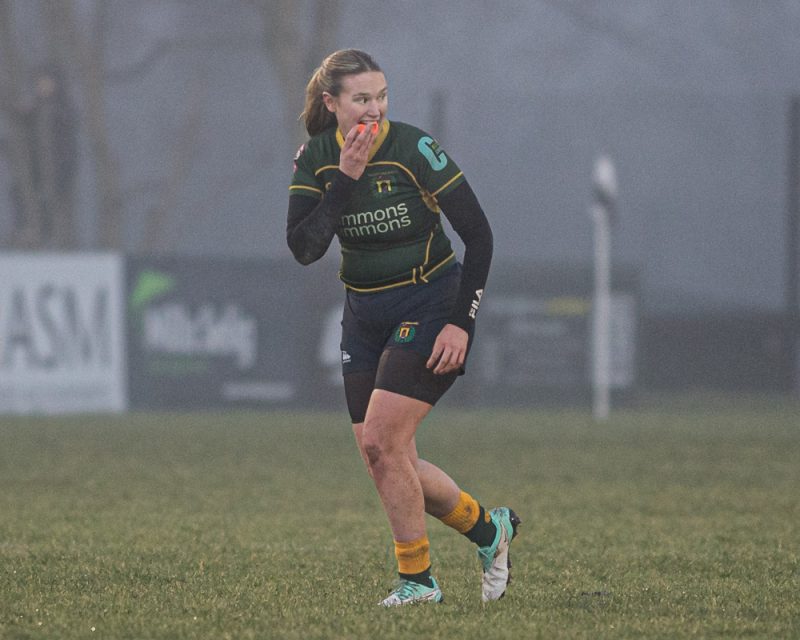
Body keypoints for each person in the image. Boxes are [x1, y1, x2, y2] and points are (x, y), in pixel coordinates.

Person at [286, 49, 520, 606]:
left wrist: (461, 324)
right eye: (361, 99)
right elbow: (304, 248)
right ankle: (489, 530)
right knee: (388, 459)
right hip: (363, 317)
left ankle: (418, 582)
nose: (375, 109)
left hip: (432, 304)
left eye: (382, 96)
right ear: (331, 103)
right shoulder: (317, 159)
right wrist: (345, 178)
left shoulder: (414, 148)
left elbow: (480, 236)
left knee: (382, 443)